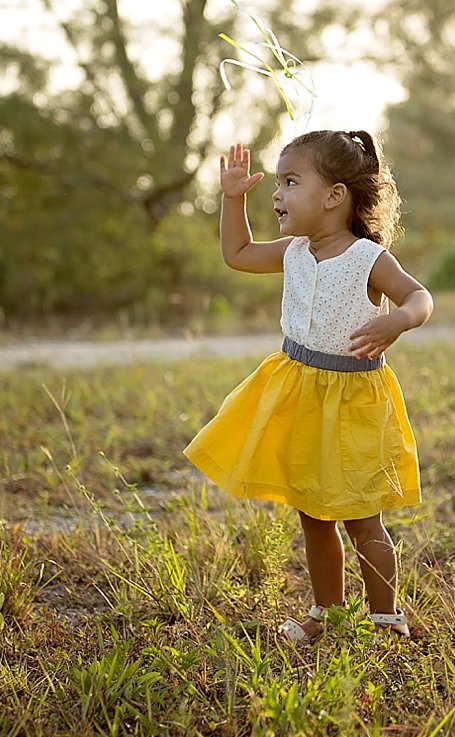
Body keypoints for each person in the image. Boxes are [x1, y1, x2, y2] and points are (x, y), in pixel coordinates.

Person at [185, 129, 432, 643]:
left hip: (354, 402)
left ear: (334, 195)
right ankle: (328, 611)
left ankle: (386, 617)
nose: (277, 194)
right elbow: (238, 253)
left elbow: (419, 296)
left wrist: (399, 321)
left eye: (290, 181)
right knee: (314, 516)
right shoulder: (295, 251)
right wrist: (233, 199)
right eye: (277, 183)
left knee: (363, 519)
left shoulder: (368, 259)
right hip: (299, 392)